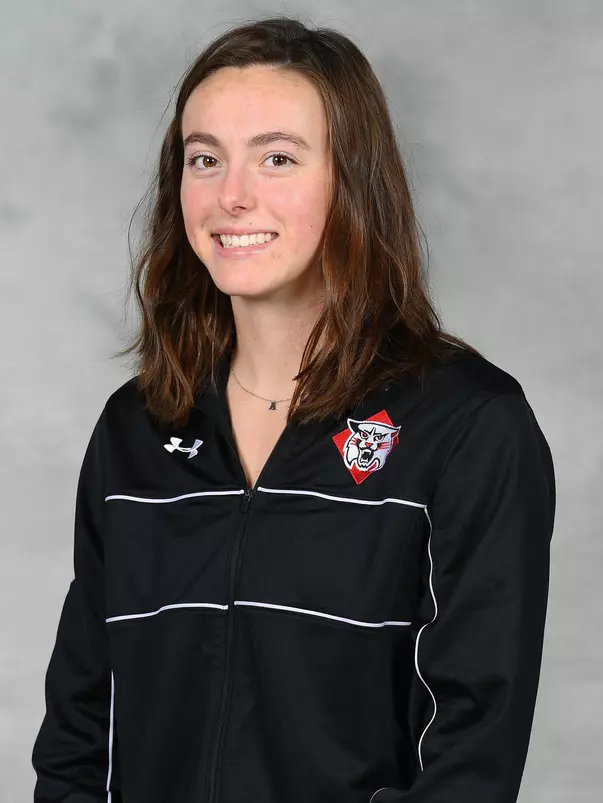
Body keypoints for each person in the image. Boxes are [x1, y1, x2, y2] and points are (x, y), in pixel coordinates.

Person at [32, 15, 556, 803]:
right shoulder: (137, 428)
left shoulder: (467, 425)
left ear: (351, 180)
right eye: (203, 159)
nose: (231, 195)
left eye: (277, 158)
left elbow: (471, 748)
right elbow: (79, 725)